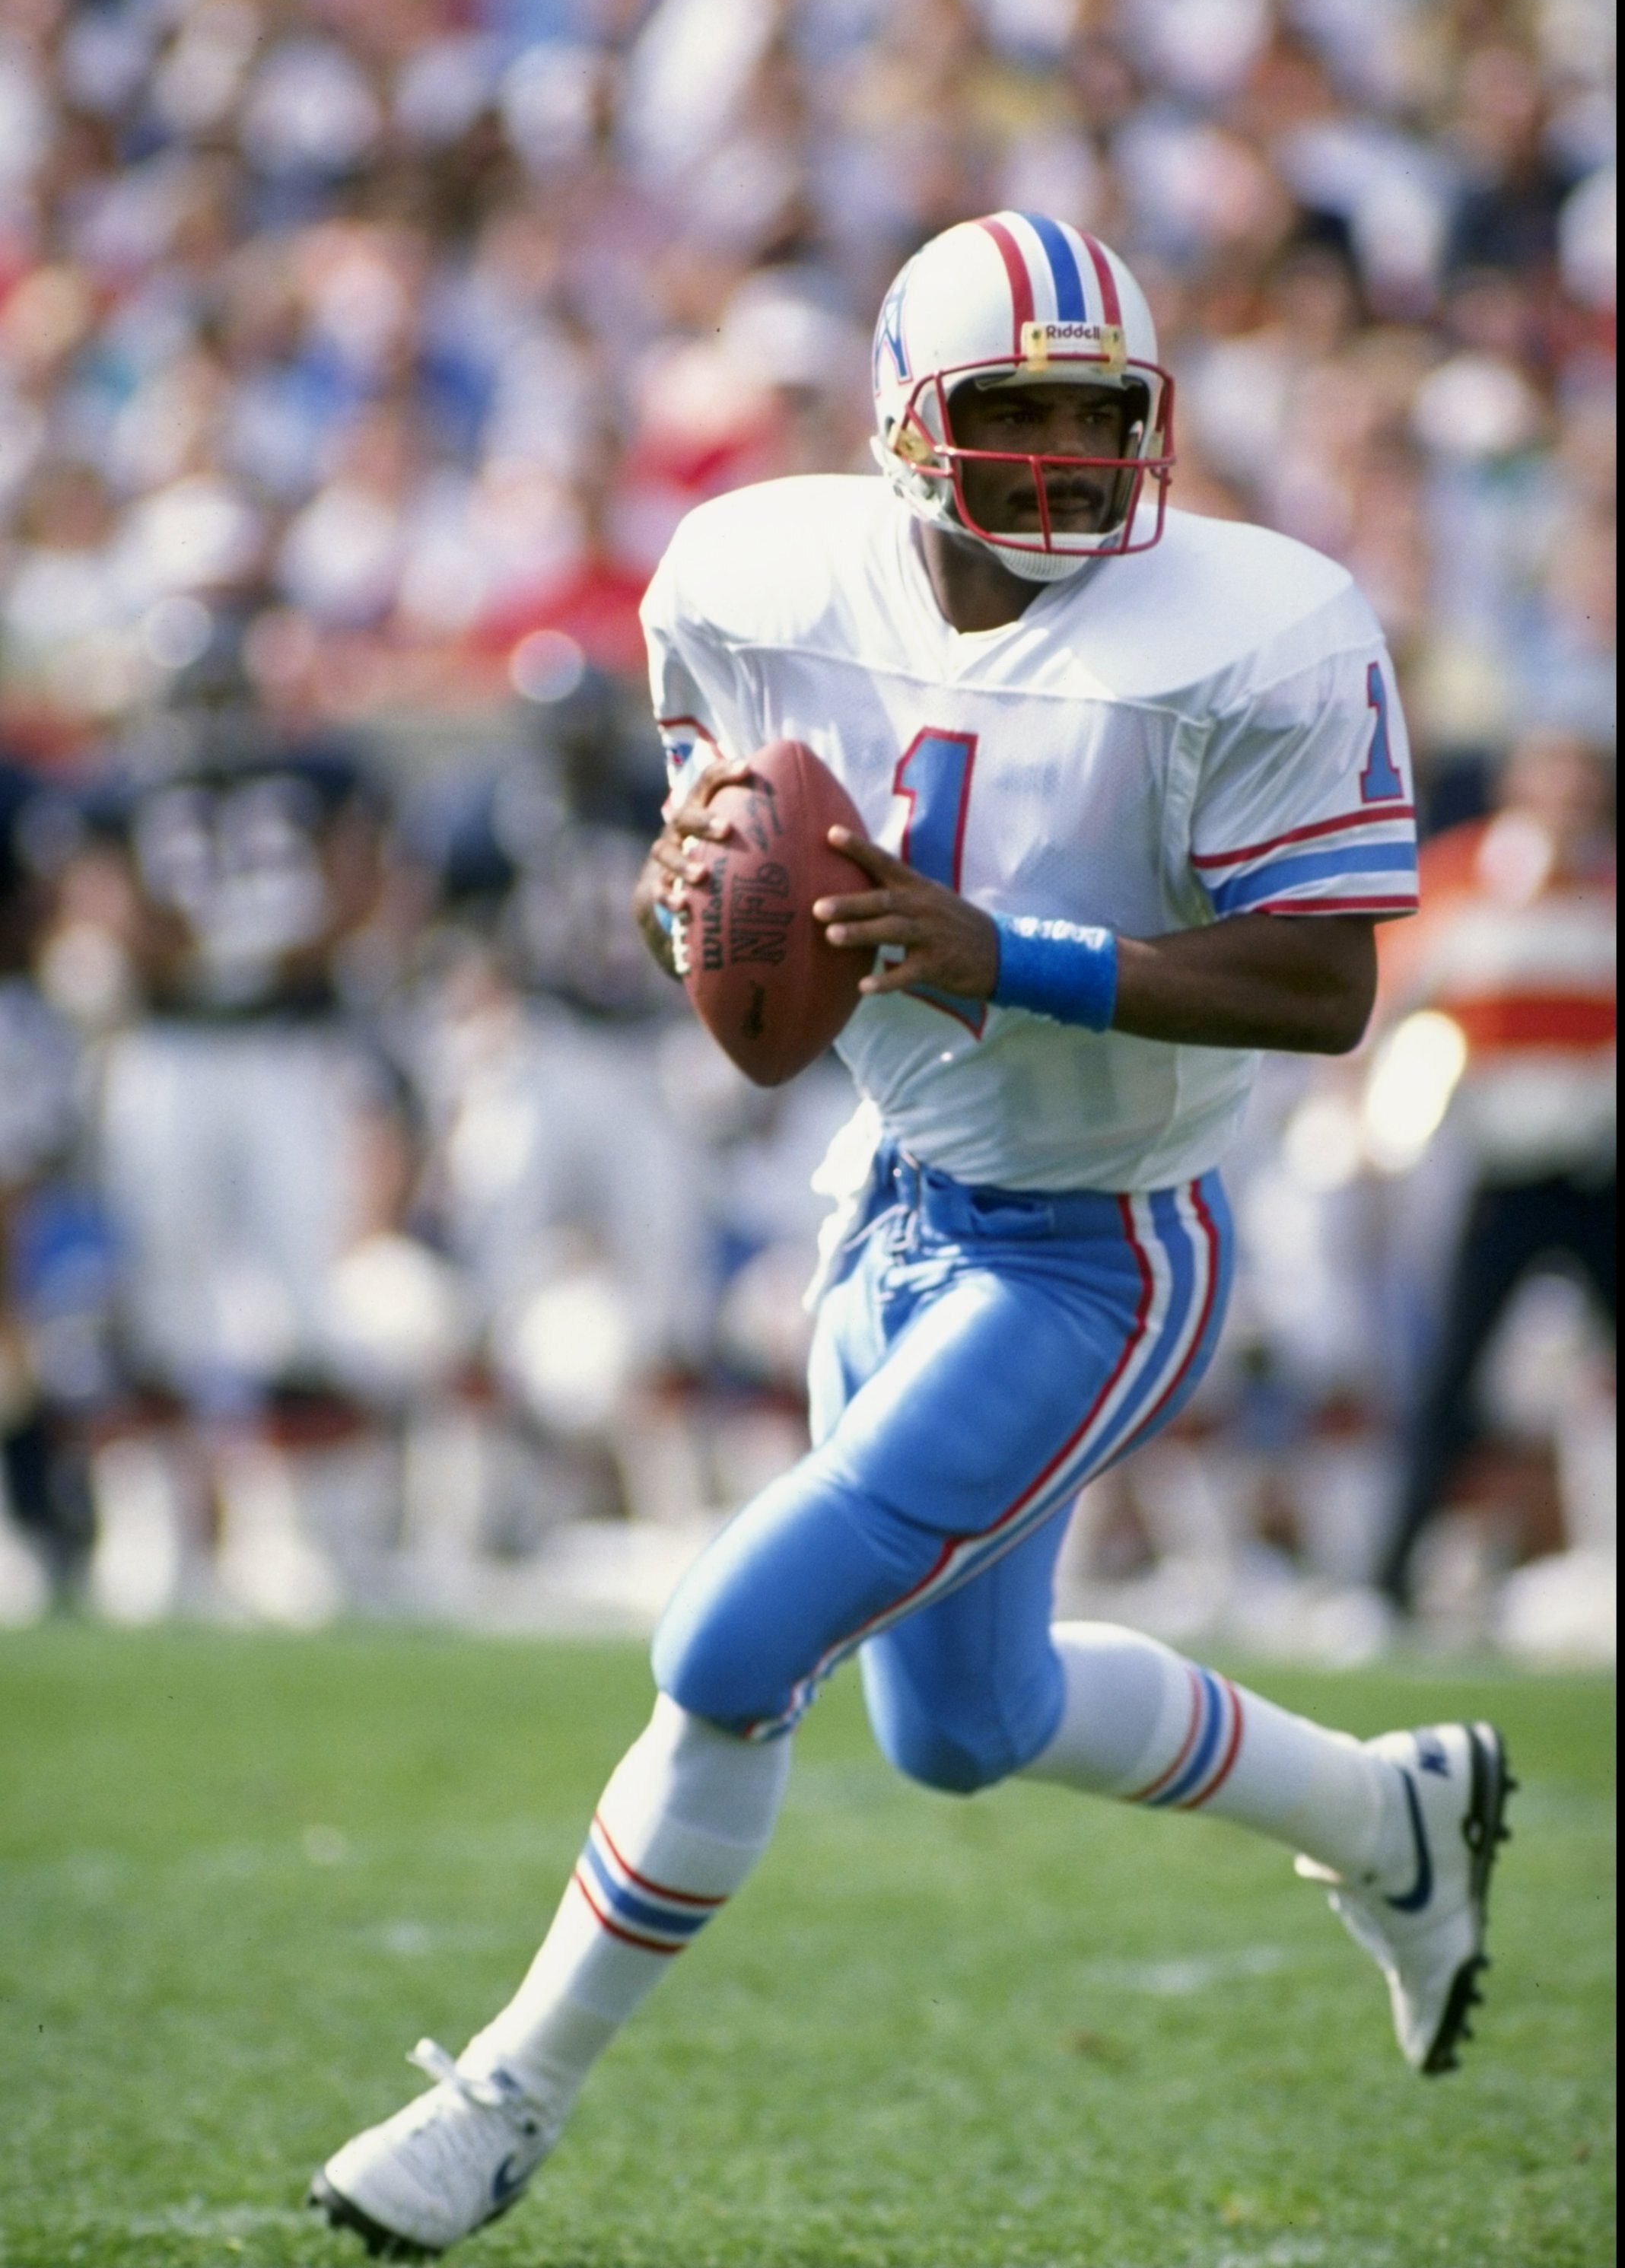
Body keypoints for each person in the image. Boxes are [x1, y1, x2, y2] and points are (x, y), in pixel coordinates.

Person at [310, 214, 1514, 2260]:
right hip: (887, 1198)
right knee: (966, 1726)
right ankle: (1384, 1811)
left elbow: (1326, 987)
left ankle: (503, 2097)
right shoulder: (758, 573)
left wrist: (1007, 956)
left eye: (1098, 412)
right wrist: (679, 887)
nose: (1061, 455)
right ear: (903, 420)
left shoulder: (1255, 624)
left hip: (1100, 1250)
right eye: (1014, 409)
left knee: (725, 1645)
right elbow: (724, 890)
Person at [1372, 727, 1615, 1608]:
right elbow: (1389, 1005)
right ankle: (1389, 1582)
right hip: (1500, 1172)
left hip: (1597, 1174)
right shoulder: (1458, 879)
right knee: (1452, 1380)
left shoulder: (1608, 887)